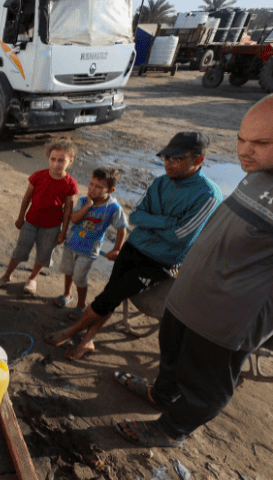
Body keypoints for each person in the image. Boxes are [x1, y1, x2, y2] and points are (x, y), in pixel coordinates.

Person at [113, 95, 273, 449]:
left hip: (225, 316)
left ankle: (171, 429)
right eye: (241, 139)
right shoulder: (259, 173)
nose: (244, 151)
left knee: (206, 384)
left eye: (261, 143)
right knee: (170, 354)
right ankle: (161, 393)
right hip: (188, 295)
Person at [45, 131, 222, 360]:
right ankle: (88, 340)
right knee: (111, 293)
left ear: (198, 160)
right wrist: (168, 221)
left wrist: (155, 223)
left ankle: (72, 331)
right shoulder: (160, 182)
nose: (168, 163)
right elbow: (136, 217)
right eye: (166, 157)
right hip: (134, 247)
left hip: (162, 261)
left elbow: (181, 236)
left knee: (111, 294)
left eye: (176, 159)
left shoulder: (209, 195)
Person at [0, 139, 79, 295]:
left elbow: (68, 209)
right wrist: (20, 217)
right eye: (53, 159)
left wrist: (63, 231)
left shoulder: (71, 183)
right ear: (48, 158)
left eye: (61, 160)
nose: (56, 164)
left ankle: (32, 278)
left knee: (43, 254)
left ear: (71, 160)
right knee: (20, 250)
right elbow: (26, 198)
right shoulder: (38, 176)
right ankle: (6, 276)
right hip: (30, 222)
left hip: (52, 227)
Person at [56, 168, 128, 321]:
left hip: (88, 250)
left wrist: (116, 249)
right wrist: (88, 206)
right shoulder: (83, 201)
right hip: (71, 243)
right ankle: (67, 294)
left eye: (98, 187)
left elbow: (122, 229)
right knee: (68, 271)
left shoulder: (113, 208)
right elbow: (73, 219)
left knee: (80, 277)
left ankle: (81, 305)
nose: (92, 189)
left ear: (111, 190)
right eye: (91, 184)